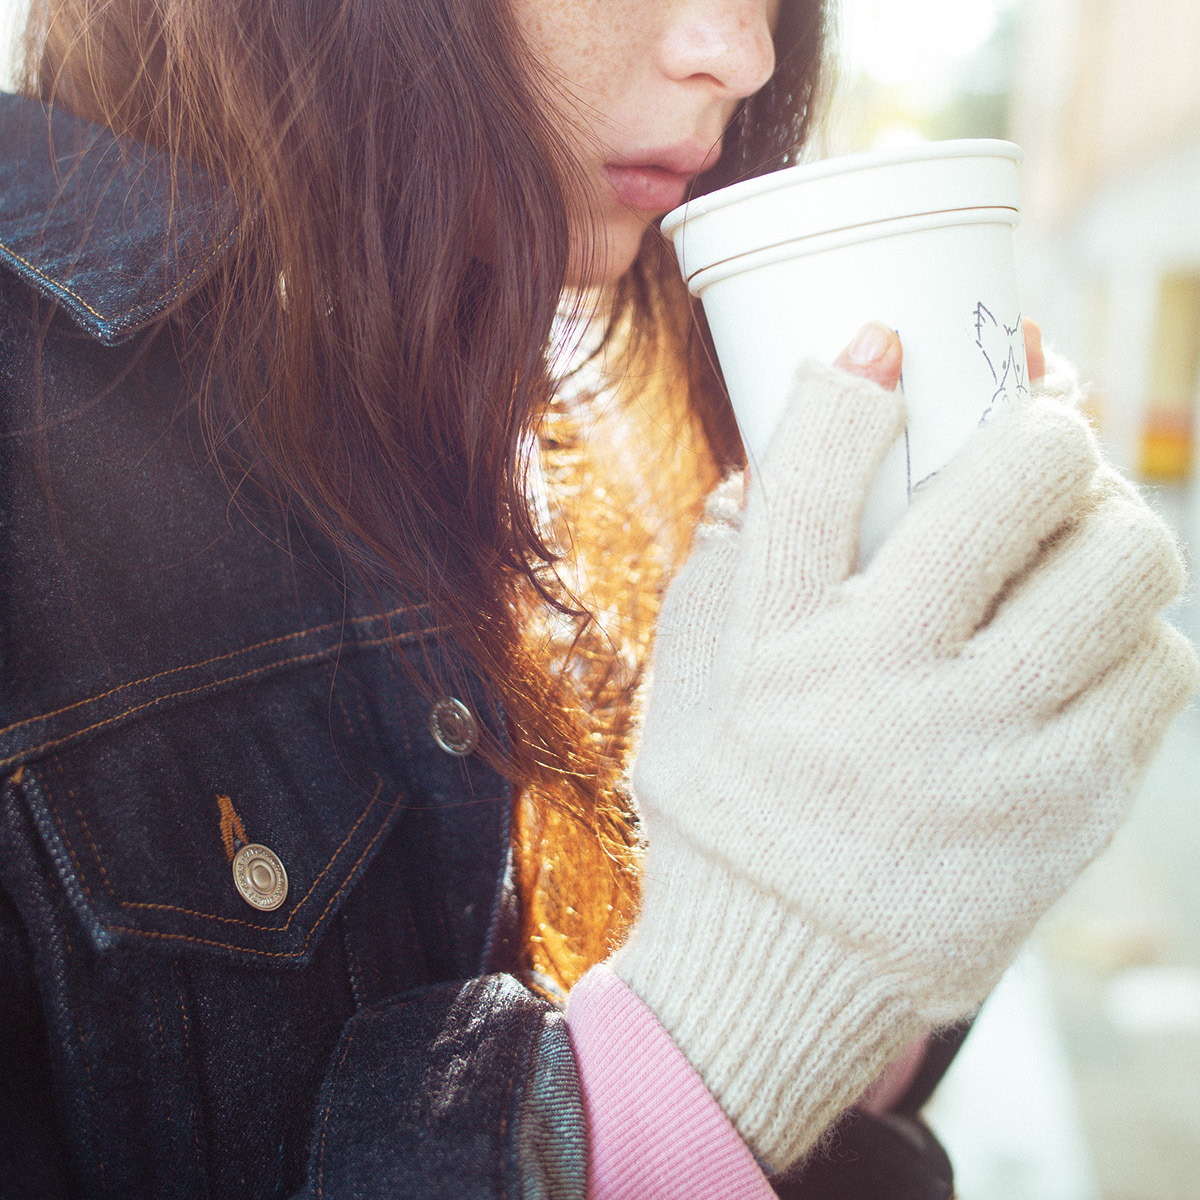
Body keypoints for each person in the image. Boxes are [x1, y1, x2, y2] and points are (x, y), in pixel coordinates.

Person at [0, 0, 1193, 1196]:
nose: (747, 52)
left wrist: (889, 885)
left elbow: (742, 1056)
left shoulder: (607, 383)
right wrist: (717, 1035)